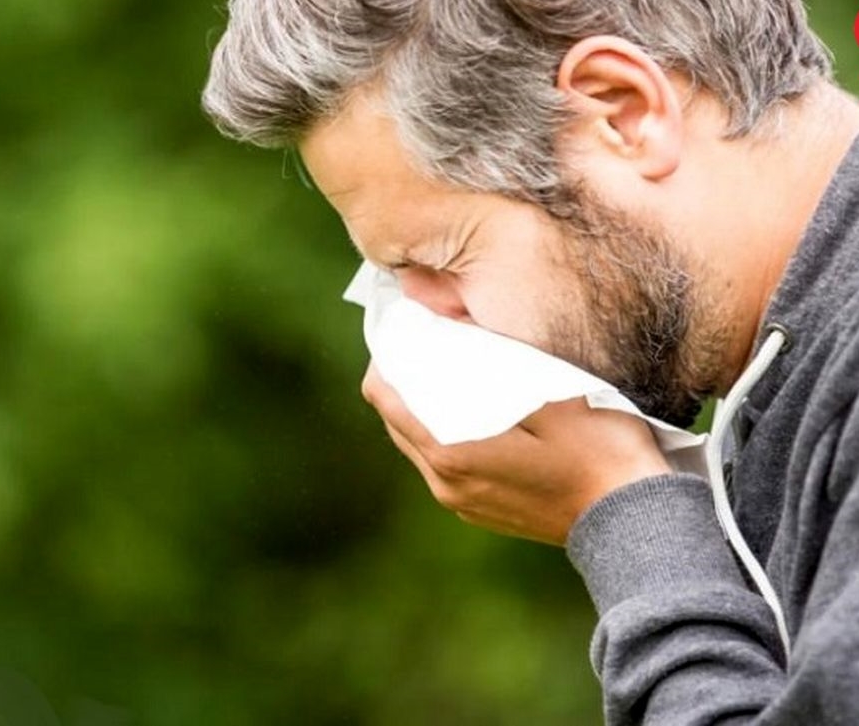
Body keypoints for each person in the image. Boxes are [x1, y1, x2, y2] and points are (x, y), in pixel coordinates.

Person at [201, 1, 859, 723]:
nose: (433, 323)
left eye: (440, 259)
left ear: (623, 112)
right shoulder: (792, 369)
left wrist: (624, 512)